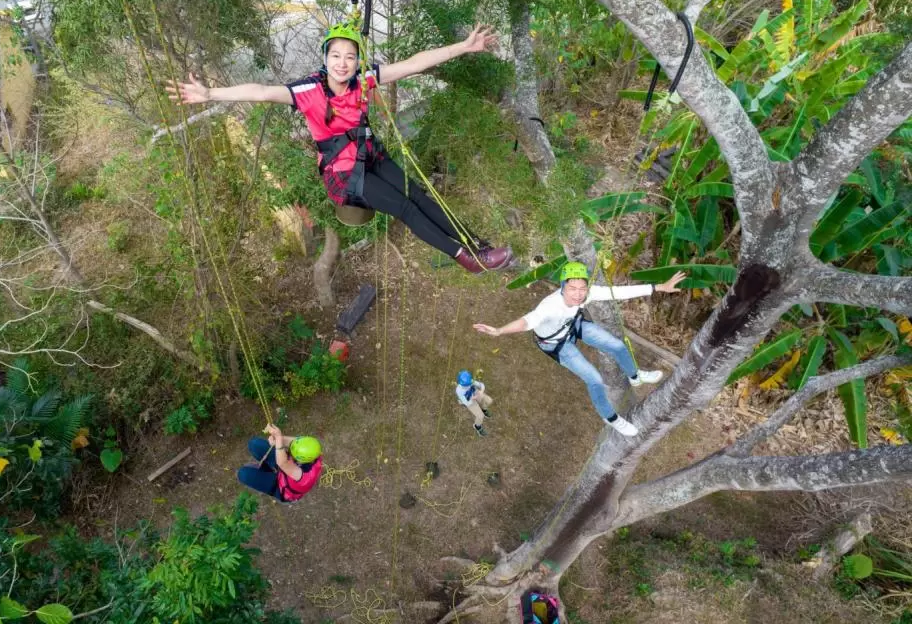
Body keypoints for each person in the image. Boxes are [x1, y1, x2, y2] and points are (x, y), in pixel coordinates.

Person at [166, 23, 513, 273]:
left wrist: (463, 47)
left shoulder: (364, 79)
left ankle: (476, 242)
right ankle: (465, 258)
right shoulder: (308, 91)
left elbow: (414, 64)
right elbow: (260, 91)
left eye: (349, 57)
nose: (343, 63)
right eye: (336, 55)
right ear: (326, 58)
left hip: (371, 155)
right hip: (345, 175)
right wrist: (211, 94)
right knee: (406, 209)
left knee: (420, 195)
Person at [473, 262, 687, 436]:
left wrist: (658, 287)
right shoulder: (549, 306)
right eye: (572, 289)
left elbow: (618, 292)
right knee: (594, 379)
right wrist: (500, 331)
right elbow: (526, 322)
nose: (578, 294)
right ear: (562, 287)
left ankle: (635, 375)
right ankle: (612, 419)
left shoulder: (587, 294)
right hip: (557, 344)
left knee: (618, 345)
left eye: (582, 289)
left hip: (573, 325)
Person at [236, 424, 323, 502]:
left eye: (293, 454)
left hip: (281, 487)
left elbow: (282, 463)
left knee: (243, 474)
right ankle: (267, 470)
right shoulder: (312, 448)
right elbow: (294, 442)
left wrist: (278, 438)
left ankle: (268, 474)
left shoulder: (304, 476)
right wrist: (278, 438)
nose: (290, 452)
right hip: (285, 469)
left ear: (301, 460)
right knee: (254, 444)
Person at [455, 369, 493, 437]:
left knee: (489, 400)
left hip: (474, 393)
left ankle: (484, 410)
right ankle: (477, 426)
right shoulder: (459, 390)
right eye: (467, 385)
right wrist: (473, 399)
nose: (469, 385)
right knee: (480, 416)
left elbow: (481, 385)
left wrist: (481, 391)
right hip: (469, 400)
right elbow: (466, 402)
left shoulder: (470, 381)